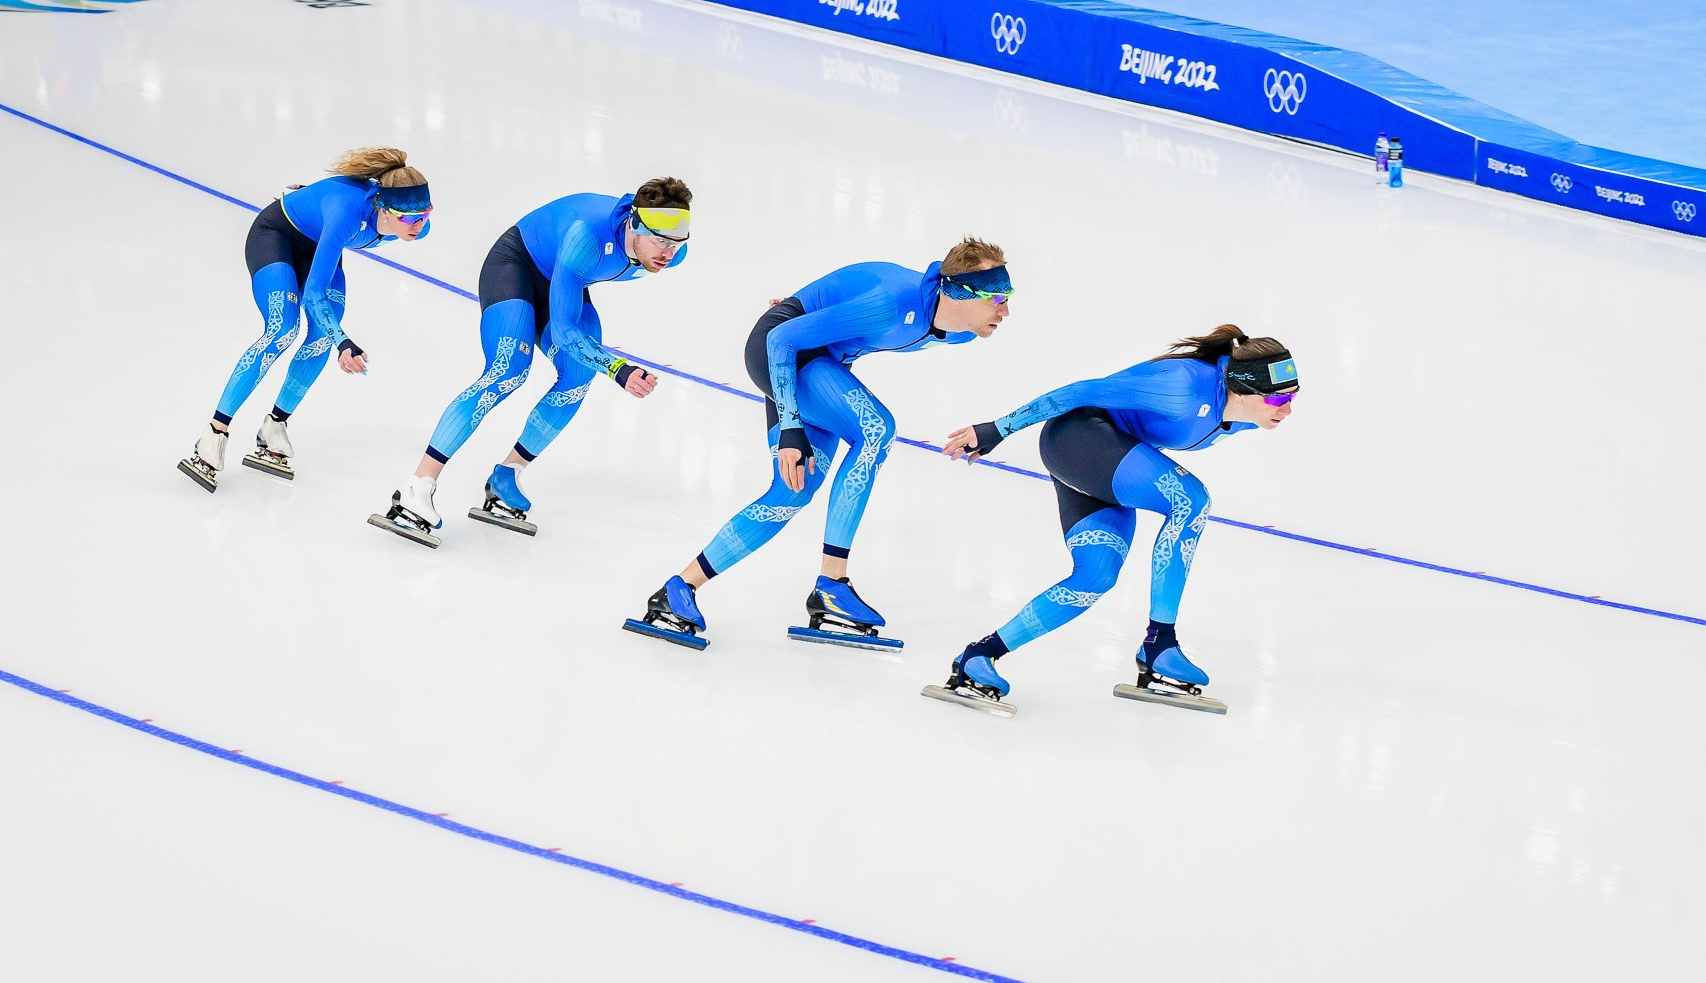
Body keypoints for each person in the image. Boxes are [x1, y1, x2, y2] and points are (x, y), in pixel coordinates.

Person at [628, 240, 1012, 651]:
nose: (1005, 312)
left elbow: (845, 294)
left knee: (791, 492)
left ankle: (678, 590)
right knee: (876, 429)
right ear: (956, 293)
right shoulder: (890, 303)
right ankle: (833, 583)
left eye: (1007, 298)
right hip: (781, 349)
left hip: (821, 362)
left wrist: (813, 306)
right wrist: (791, 426)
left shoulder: (961, 334)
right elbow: (781, 338)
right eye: (995, 299)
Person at [929, 327, 1299, 714]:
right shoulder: (1184, 385)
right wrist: (997, 429)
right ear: (1241, 388)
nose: (1287, 408)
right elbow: (1078, 392)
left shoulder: (1243, 418)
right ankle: (1160, 641)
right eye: (1277, 397)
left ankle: (980, 656)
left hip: (1106, 461)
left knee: (1096, 576)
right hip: (1078, 439)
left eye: (1292, 397)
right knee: (1190, 499)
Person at [369, 179, 688, 545]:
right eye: (660, 241)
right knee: (506, 372)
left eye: (677, 243)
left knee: (578, 375)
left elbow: (572, 306)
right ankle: (417, 486)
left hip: (565, 281)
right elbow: (566, 330)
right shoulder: (588, 234)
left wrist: (606, 364)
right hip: (515, 267)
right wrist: (618, 368)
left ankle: (508, 475)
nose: (668, 253)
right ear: (634, 225)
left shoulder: (673, 251)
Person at [178, 149, 434, 493]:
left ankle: (275, 426)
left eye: (425, 214)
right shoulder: (347, 213)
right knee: (283, 328)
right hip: (276, 237)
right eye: (407, 219)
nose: (418, 226)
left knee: (320, 337)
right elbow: (313, 293)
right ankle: (214, 433)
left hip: (321, 245)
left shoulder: (415, 225)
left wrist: (308, 195)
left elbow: (334, 196)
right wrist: (344, 341)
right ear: (382, 209)